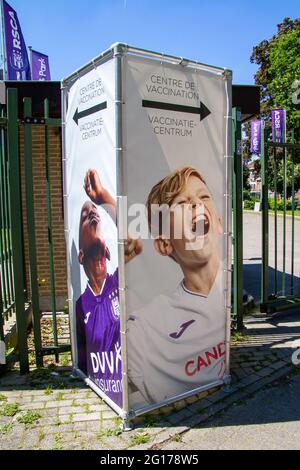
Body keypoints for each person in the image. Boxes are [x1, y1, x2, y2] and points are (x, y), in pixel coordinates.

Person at [127, 167, 226, 405]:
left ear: (219, 224)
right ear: (164, 244)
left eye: (203, 197)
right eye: (181, 203)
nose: (195, 203)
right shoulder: (146, 328)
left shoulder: (236, 291)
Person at [76, 169, 142, 408]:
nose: (93, 213)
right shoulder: (81, 305)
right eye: (86, 216)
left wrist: (103, 199)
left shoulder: (116, 281)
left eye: (95, 213)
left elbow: (135, 244)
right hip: (103, 386)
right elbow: (83, 356)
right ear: (80, 254)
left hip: (130, 390)